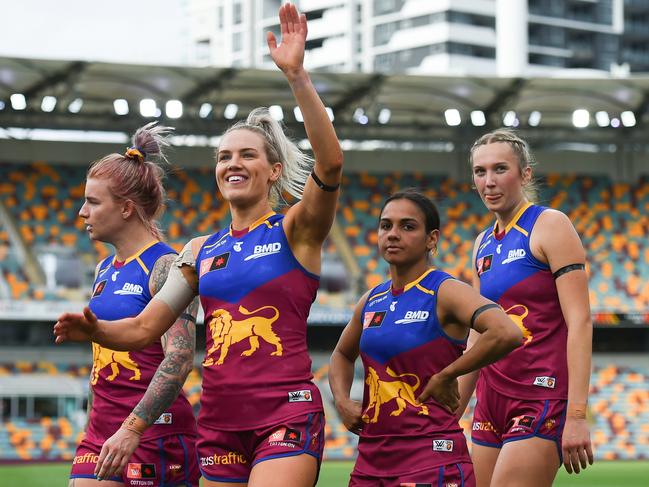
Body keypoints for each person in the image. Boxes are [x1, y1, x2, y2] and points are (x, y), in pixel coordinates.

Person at [55, 4, 343, 487]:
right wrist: (96, 331)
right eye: (224, 155)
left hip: (285, 414)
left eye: (247, 154)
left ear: (273, 171)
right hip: (220, 424)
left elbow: (330, 167)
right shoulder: (198, 251)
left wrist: (296, 76)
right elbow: (147, 326)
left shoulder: (296, 229)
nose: (233, 163)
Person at [328, 189, 523, 487]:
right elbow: (341, 355)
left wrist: (448, 374)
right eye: (386, 225)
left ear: (431, 239)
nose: (393, 234)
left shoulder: (444, 290)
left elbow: (506, 331)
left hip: (430, 459)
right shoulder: (371, 300)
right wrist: (342, 402)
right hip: (370, 463)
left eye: (407, 226)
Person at [458, 129, 594, 487]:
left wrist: (577, 414)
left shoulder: (550, 225)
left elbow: (579, 321)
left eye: (500, 169)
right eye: (480, 171)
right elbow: (478, 338)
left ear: (526, 174)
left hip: (539, 395)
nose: (489, 181)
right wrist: (449, 412)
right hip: (491, 400)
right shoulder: (481, 245)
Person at [68, 123, 200, 487]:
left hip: (154, 434)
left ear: (126, 208)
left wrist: (132, 428)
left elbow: (178, 357)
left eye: (93, 202)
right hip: (100, 433)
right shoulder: (103, 269)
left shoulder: (165, 267)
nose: (82, 212)